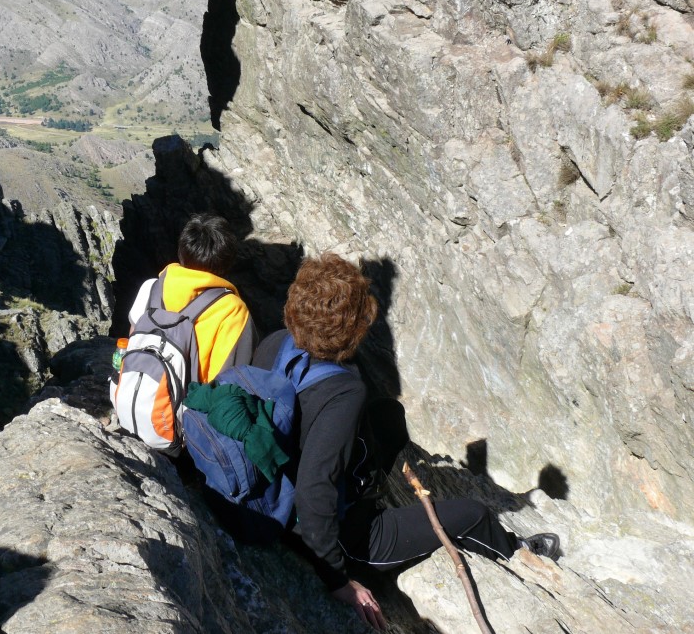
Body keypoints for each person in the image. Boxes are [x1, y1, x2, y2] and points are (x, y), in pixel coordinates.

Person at [251, 253, 559, 631]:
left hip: (279, 486)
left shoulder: (276, 343)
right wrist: (338, 580)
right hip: (347, 536)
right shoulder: (342, 390)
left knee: (387, 416)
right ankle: (519, 553)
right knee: (472, 515)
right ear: (354, 325)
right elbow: (316, 490)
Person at [128, 213, 256, 384]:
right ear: (228, 261)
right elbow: (230, 377)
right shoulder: (233, 310)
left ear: (182, 251)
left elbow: (132, 339)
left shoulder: (152, 287)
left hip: (136, 396)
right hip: (187, 408)